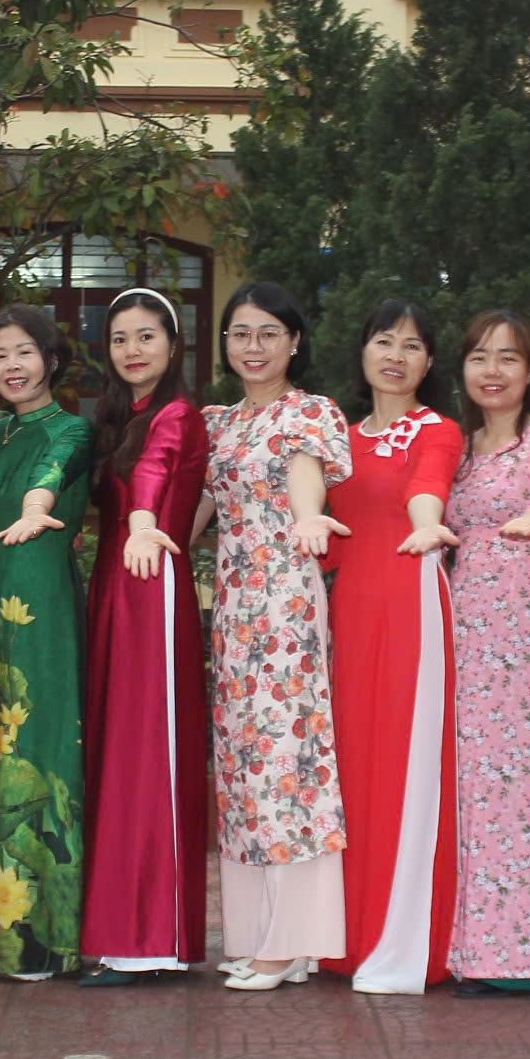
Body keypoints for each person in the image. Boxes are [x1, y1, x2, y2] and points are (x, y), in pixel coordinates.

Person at [204, 282, 351, 993]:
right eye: (240, 333)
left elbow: (303, 478)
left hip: (285, 600)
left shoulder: (310, 412)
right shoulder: (219, 423)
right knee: (241, 767)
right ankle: (258, 934)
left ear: (295, 341)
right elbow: (198, 504)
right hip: (233, 608)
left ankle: (293, 940)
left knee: (285, 762)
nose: (253, 346)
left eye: (269, 333)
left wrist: (308, 517)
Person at [324, 298, 463, 995]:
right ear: (363, 351)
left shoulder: (437, 430)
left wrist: (426, 523)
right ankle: (342, 938)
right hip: (348, 613)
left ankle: (402, 943)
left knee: (404, 766)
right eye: (384, 340)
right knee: (351, 767)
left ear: (429, 361)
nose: (396, 356)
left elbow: (427, 486)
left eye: (412, 345)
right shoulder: (337, 438)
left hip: (411, 602)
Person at [443, 309, 530, 997]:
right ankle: (472, 951)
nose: (492, 370)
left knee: (525, 790)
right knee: (470, 791)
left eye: (508, 358)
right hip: (459, 631)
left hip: (522, 643)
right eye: (479, 357)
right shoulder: (456, 449)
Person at [0, 306, 93, 980]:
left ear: (52, 360)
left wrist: (38, 508)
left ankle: (39, 939)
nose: (12, 365)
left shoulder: (72, 429)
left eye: (26, 352)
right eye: (0, 354)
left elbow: (51, 474)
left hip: (41, 607)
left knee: (37, 748)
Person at [78, 289, 209, 987]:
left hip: (150, 581)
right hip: (113, 587)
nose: (132, 349)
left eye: (146, 336)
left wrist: (139, 525)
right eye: (120, 339)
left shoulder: (176, 414)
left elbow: (156, 471)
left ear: (174, 344)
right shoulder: (117, 417)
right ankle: (121, 928)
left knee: (145, 752)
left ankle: (147, 937)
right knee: (116, 748)